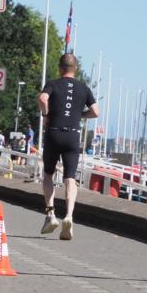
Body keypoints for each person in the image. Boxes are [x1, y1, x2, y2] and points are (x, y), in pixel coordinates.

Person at [38, 53, 98, 240]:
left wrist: (46, 114)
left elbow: (42, 99)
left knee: (48, 174)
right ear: (76, 69)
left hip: (54, 132)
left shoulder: (53, 84)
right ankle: (69, 216)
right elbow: (96, 111)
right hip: (73, 135)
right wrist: (81, 115)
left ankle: (51, 215)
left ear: (60, 68)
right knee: (70, 178)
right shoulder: (84, 88)